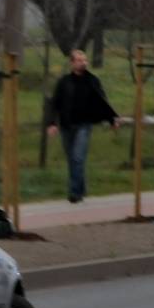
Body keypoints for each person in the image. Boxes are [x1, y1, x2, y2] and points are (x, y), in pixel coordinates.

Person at [47, 49, 120, 203]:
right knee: (72, 159)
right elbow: (55, 103)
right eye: (79, 60)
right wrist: (52, 123)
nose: (83, 63)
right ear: (72, 63)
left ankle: (74, 193)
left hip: (84, 125)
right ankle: (81, 188)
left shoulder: (92, 80)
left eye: (85, 60)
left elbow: (102, 101)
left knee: (78, 157)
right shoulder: (64, 82)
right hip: (67, 125)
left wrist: (112, 118)